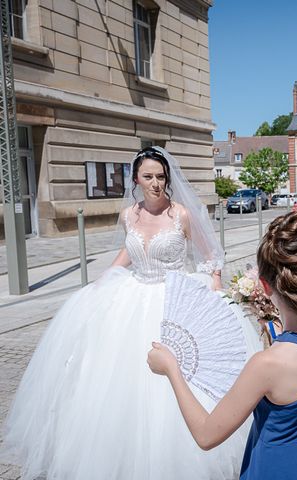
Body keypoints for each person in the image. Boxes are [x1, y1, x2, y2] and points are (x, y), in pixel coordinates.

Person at [0, 147, 262, 480]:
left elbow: (210, 254)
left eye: (161, 177)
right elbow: (129, 250)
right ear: (136, 180)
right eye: (148, 176)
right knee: (116, 377)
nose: (156, 183)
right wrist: (106, 279)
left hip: (174, 302)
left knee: (177, 378)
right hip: (134, 297)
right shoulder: (128, 216)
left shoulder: (181, 214)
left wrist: (213, 286)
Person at [148, 211, 297, 480]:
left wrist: (172, 368)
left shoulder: (267, 364)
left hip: (276, 469)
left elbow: (206, 435)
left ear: (264, 286)